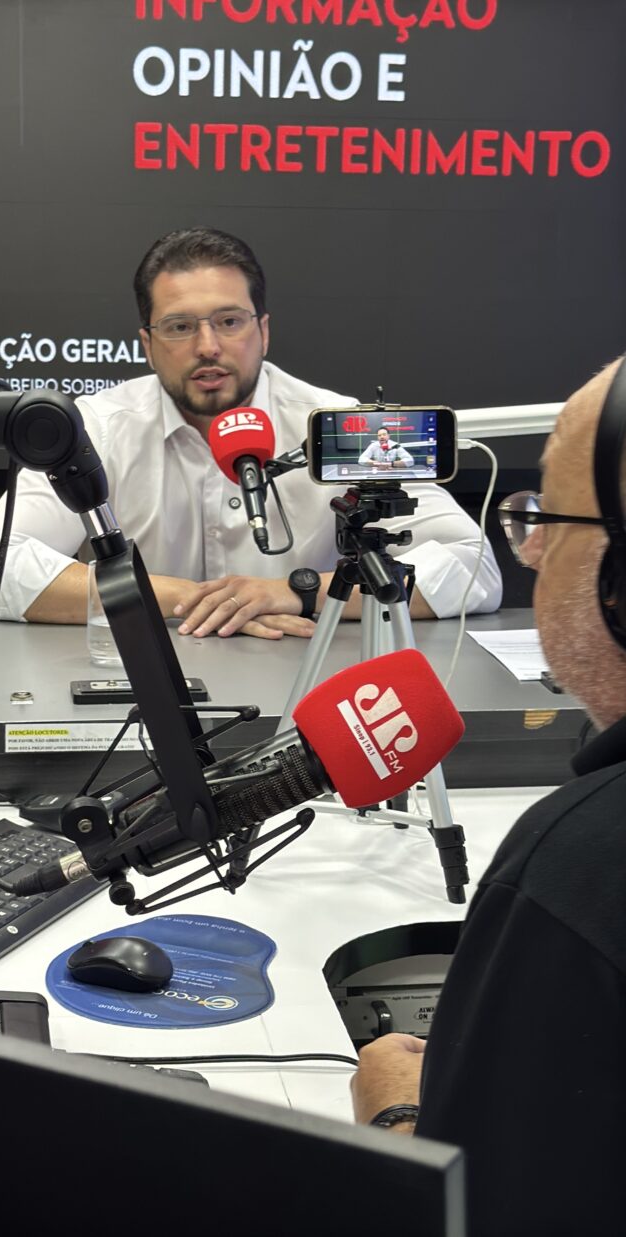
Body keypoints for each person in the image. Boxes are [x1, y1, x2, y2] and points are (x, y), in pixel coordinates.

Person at [351, 356, 626, 1236]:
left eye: (546, 517)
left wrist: (397, 1115)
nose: (530, 549)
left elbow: (470, 1215)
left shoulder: (578, 868)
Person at [0, 227, 501, 637]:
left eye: (229, 321)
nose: (208, 347)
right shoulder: (98, 427)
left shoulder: (339, 425)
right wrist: (195, 599)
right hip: (146, 692)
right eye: (179, 327)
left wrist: (298, 594)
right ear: (147, 344)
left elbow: (474, 567)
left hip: (308, 684)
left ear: (263, 331)